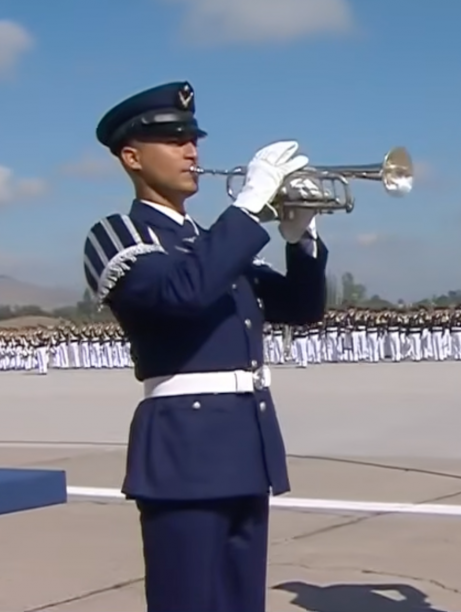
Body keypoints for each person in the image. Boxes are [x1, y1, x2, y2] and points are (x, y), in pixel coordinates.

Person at [82, 81, 329, 612]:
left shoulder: (209, 240)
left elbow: (300, 307)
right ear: (131, 156)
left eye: (193, 139)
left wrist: (301, 238)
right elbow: (183, 293)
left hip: (246, 443)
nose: (192, 151)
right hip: (184, 449)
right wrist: (246, 208)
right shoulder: (118, 235)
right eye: (173, 141)